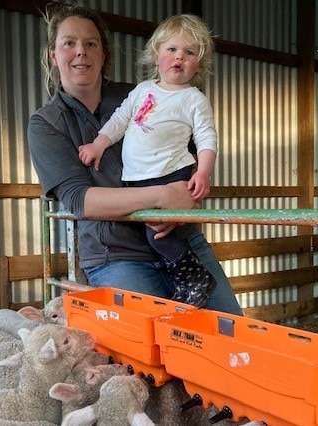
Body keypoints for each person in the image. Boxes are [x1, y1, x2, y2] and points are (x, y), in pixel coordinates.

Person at [27, 2, 242, 315]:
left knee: (232, 332)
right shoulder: (47, 123)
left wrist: (185, 201)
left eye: (91, 44)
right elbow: (81, 200)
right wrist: (162, 196)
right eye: (69, 43)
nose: (81, 52)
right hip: (117, 254)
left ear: (104, 53)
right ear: (53, 54)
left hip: (179, 237)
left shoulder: (145, 94)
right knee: (153, 348)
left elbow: (192, 152)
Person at [78, 14, 218, 307]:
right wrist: (99, 144)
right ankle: (182, 276)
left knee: (159, 236)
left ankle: (194, 278)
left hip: (169, 173)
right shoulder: (142, 91)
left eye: (189, 53)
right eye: (172, 49)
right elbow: (119, 120)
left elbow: (206, 138)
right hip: (138, 179)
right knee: (155, 233)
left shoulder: (194, 99)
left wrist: (203, 172)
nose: (179, 57)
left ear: (198, 65)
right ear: (156, 57)